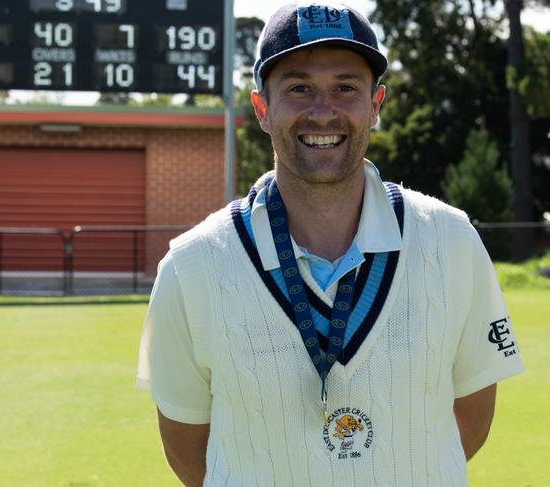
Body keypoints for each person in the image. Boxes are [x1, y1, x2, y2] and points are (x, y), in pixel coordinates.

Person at [136, 2, 524, 485]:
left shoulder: (452, 241)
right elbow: (189, 453)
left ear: (375, 105)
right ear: (262, 108)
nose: (324, 112)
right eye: (299, 88)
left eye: (346, 87)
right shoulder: (190, 267)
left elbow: (470, 418)